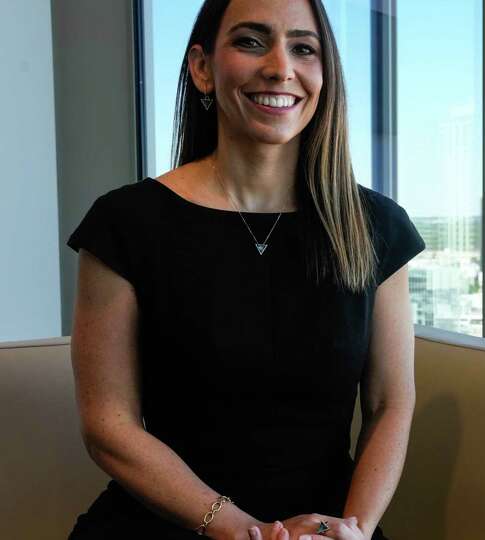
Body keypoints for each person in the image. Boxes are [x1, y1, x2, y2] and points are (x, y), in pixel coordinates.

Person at [65, 1, 424, 538]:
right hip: (168, 523)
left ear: (325, 75)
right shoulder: (124, 224)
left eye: (304, 48)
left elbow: (390, 404)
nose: (281, 67)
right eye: (251, 42)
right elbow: (107, 425)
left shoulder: (377, 227)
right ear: (202, 68)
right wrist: (237, 528)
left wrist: (351, 530)